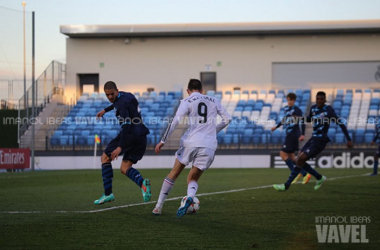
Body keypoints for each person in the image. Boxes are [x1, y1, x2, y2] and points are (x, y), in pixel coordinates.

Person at [152, 79, 231, 217]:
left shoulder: (187, 101)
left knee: (174, 173)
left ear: (188, 91)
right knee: (192, 178)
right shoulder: (213, 100)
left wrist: (163, 140)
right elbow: (227, 119)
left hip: (190, 142)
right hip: (208, 145)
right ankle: (190, 196)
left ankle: (158, 207)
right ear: (202, 91)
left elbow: (175, 121)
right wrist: (213, 131)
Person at [273, 91, 353, 191]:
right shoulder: (313, 108)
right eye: (317, 99)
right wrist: (298, 118)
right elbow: (309, 119)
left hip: (321, 140)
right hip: (313, 138)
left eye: (321, 99)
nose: (319, 101)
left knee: (301, 159)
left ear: (325, 100)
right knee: (298, 160)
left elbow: (340, 123)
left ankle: (286, 185)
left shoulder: (329, 110)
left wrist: (348, 139)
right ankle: (319, 177)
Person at [93, 81, 151, 205]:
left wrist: (120, 147)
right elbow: (116, 104)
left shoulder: (121, 105)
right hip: (141, 135)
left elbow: (126, 125)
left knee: (104, 158)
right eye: (107, 95)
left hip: (129, 135)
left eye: (111, 94)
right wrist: (105, 110)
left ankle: (108, 194)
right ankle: (142, 184)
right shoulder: (126, 95)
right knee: (124, 168)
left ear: (117, 91)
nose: (109, 97)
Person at [271, 93, 311, 184]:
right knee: (293, 157)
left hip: (293, 134)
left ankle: (295, 173)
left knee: (282, 154)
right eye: (288, 100)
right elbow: (284, 120)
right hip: (289, 133)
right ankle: (305, 174)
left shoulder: (297, 110)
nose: (289, 102)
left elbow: (303, 122)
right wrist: (276, 127)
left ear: (294, 100)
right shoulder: (286, 109)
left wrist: (303, 134)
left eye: (291, 100)